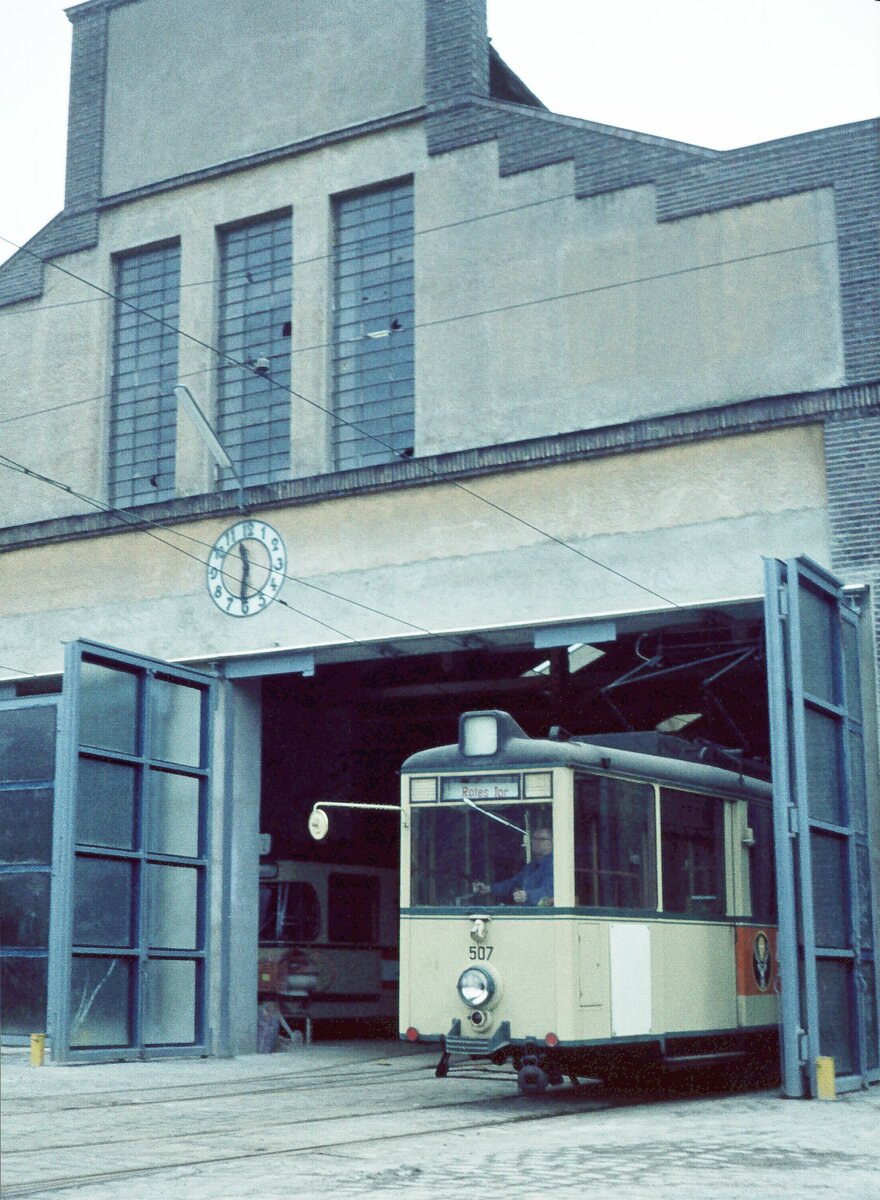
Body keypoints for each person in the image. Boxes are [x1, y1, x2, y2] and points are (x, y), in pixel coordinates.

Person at [473, 828, 553, 905]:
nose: (535, 842)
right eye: (534, 839)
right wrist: (489, 889)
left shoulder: (556, 865)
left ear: (552, 842)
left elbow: (551, 890)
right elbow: (513, 883)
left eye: (542, 839)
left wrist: (527, 895)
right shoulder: (531, 866)